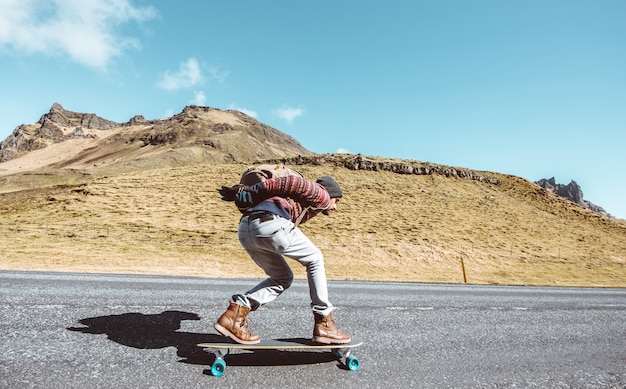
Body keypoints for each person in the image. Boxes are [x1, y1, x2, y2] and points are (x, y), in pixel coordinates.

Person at [215, 174, 351, 345]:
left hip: (246, 229)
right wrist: (251, 190)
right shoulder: (322, 195)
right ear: (330, 193)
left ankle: (234, 315)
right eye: (336, 201)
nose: (335, 207)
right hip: (270, 225)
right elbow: (290, 182)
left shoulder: (299, 201)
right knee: (315, 259)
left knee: (282, 278)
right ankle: (324, 322)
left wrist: (244, 193)